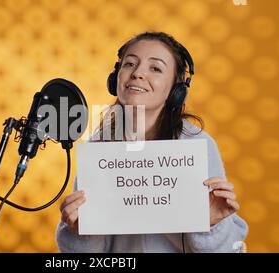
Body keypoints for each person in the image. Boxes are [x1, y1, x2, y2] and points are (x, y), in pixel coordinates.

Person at [56, 32, 248, 253]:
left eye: (155, 68)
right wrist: (81, 232)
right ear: (115, 78)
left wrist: (211, 226)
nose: (137, 73)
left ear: (176, 90)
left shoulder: (197, 146)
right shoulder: (97, 149)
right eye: (129, 64)